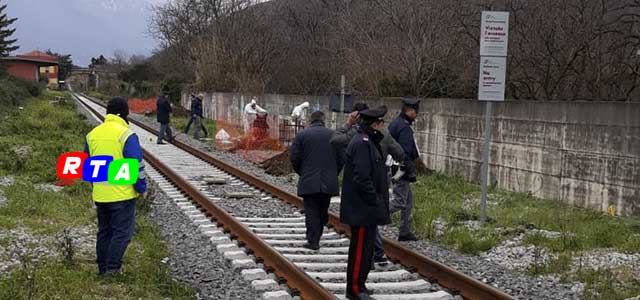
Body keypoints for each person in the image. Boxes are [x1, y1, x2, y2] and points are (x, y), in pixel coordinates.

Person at [331, 103, 404, 268]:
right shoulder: (380, 135)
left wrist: (348, 123)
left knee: (367, 226)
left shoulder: (355, 135)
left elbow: (335, 140)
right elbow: (400, 153)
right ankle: (374, 256)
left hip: (363, 188)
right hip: (378, 182)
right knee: (369, 226)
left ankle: (373, 256)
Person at [84, 97, 147, 275]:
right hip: (122, 194)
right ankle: (112, 269)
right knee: (122, 233)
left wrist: (97, 187)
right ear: (125, 114)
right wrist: (141, 188)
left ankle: (102, 268)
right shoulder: (126, 135)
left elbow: (88, 166)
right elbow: (136, 165)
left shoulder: (92, 134)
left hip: (100, 195)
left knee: (104, 232)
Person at [340, 106, 390, 300]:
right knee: (360, 250)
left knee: (366, 249)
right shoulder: (362, 143)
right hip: (362, 208)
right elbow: (362, 178)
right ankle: (354, 288)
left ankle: (360, 284)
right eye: (380, 123)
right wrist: (375, 200)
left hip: (366, 208)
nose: (382, 126)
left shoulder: (368, 141)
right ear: (375, 124)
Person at [290, 111, 341, 251]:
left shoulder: (302, 135)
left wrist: (302, 171)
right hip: (328, 179)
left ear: (310, 121)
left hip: (309, 179)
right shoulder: (334, 135)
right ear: (324, 120)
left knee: (311, 210)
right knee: (323, 210)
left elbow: (294, 157)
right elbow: (342, 157)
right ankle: (316, 235)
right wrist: (334, 172)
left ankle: (313, 240)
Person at [387, 98, 421, 241]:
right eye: (414, 111)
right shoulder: (404, 128)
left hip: (394, 166)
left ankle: (404, 231)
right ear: (408, 111)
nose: (416, 114)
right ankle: (375, 213)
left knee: (408, 201)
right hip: (400, 168)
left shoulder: (397, 123)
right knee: (401, 201)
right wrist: (409, 169)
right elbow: (404, 151)